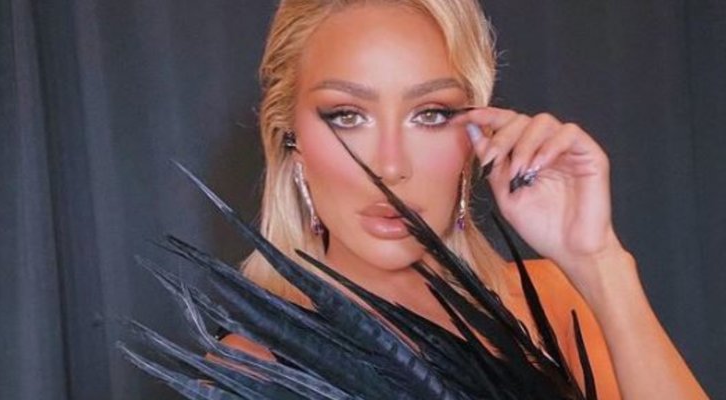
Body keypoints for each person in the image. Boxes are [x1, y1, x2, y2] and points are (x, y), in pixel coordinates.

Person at [218, 0, 708, 398]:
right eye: (347, 115)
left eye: (430, 114)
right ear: (290, 137)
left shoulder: (548, 303)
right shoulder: (258, 366)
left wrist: (599, 261)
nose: (391, 166)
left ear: (476, 132)